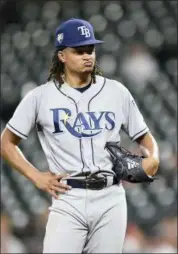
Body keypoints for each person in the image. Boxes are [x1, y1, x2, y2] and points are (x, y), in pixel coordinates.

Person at [1, 18, 160, 253]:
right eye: (79, 51)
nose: (87, 56)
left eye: (90, 49)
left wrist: (153, 156)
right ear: (62, 56)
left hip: (111, 197)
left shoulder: (116, 92)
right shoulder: (40, 97)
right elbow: (6, 142)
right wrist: (35, 176)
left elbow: (144, 137)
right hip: (68, 197)